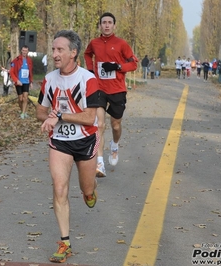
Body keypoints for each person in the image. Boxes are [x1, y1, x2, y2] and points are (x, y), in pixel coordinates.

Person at [36, 29, 99, 263]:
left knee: (87, 190)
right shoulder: (50, 79)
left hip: (84, 141)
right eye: (53, 49)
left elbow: (89, 117)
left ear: (73, 52)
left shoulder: (87, 79)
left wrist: (60, 115)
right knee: (59, 189)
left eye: (60, 49)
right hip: (60, 142)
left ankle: (90, 191)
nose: (54, 54)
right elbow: (40, 111)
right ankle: (65, 243)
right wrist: (49, 116)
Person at [84, 12, 138, 177]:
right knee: (99, 125)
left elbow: (133, 63)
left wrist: (118, 67)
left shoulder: (121, 44)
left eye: (109, 23)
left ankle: (114, 145)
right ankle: (100, 163)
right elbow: (87, 54)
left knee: (115, 125)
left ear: (114, 26)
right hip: (99, 88)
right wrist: (91, 70)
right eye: (103, 22)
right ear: (100, 26)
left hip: (117, 89)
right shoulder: (94, 43)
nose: (106, 25)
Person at [9, 45, 33, 119]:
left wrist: (31, 81)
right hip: (19, 82)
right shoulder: (16, 60)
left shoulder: (29, 60)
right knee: (20, 99)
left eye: (26, 51)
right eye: (23, 50)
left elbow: (30, 71)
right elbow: (11, 72)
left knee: (25, 97)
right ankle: (22, 110)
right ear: (21, 51)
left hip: (26, 82)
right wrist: (16, 80)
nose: (24, 52)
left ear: (27, 51)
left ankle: (23, 113)